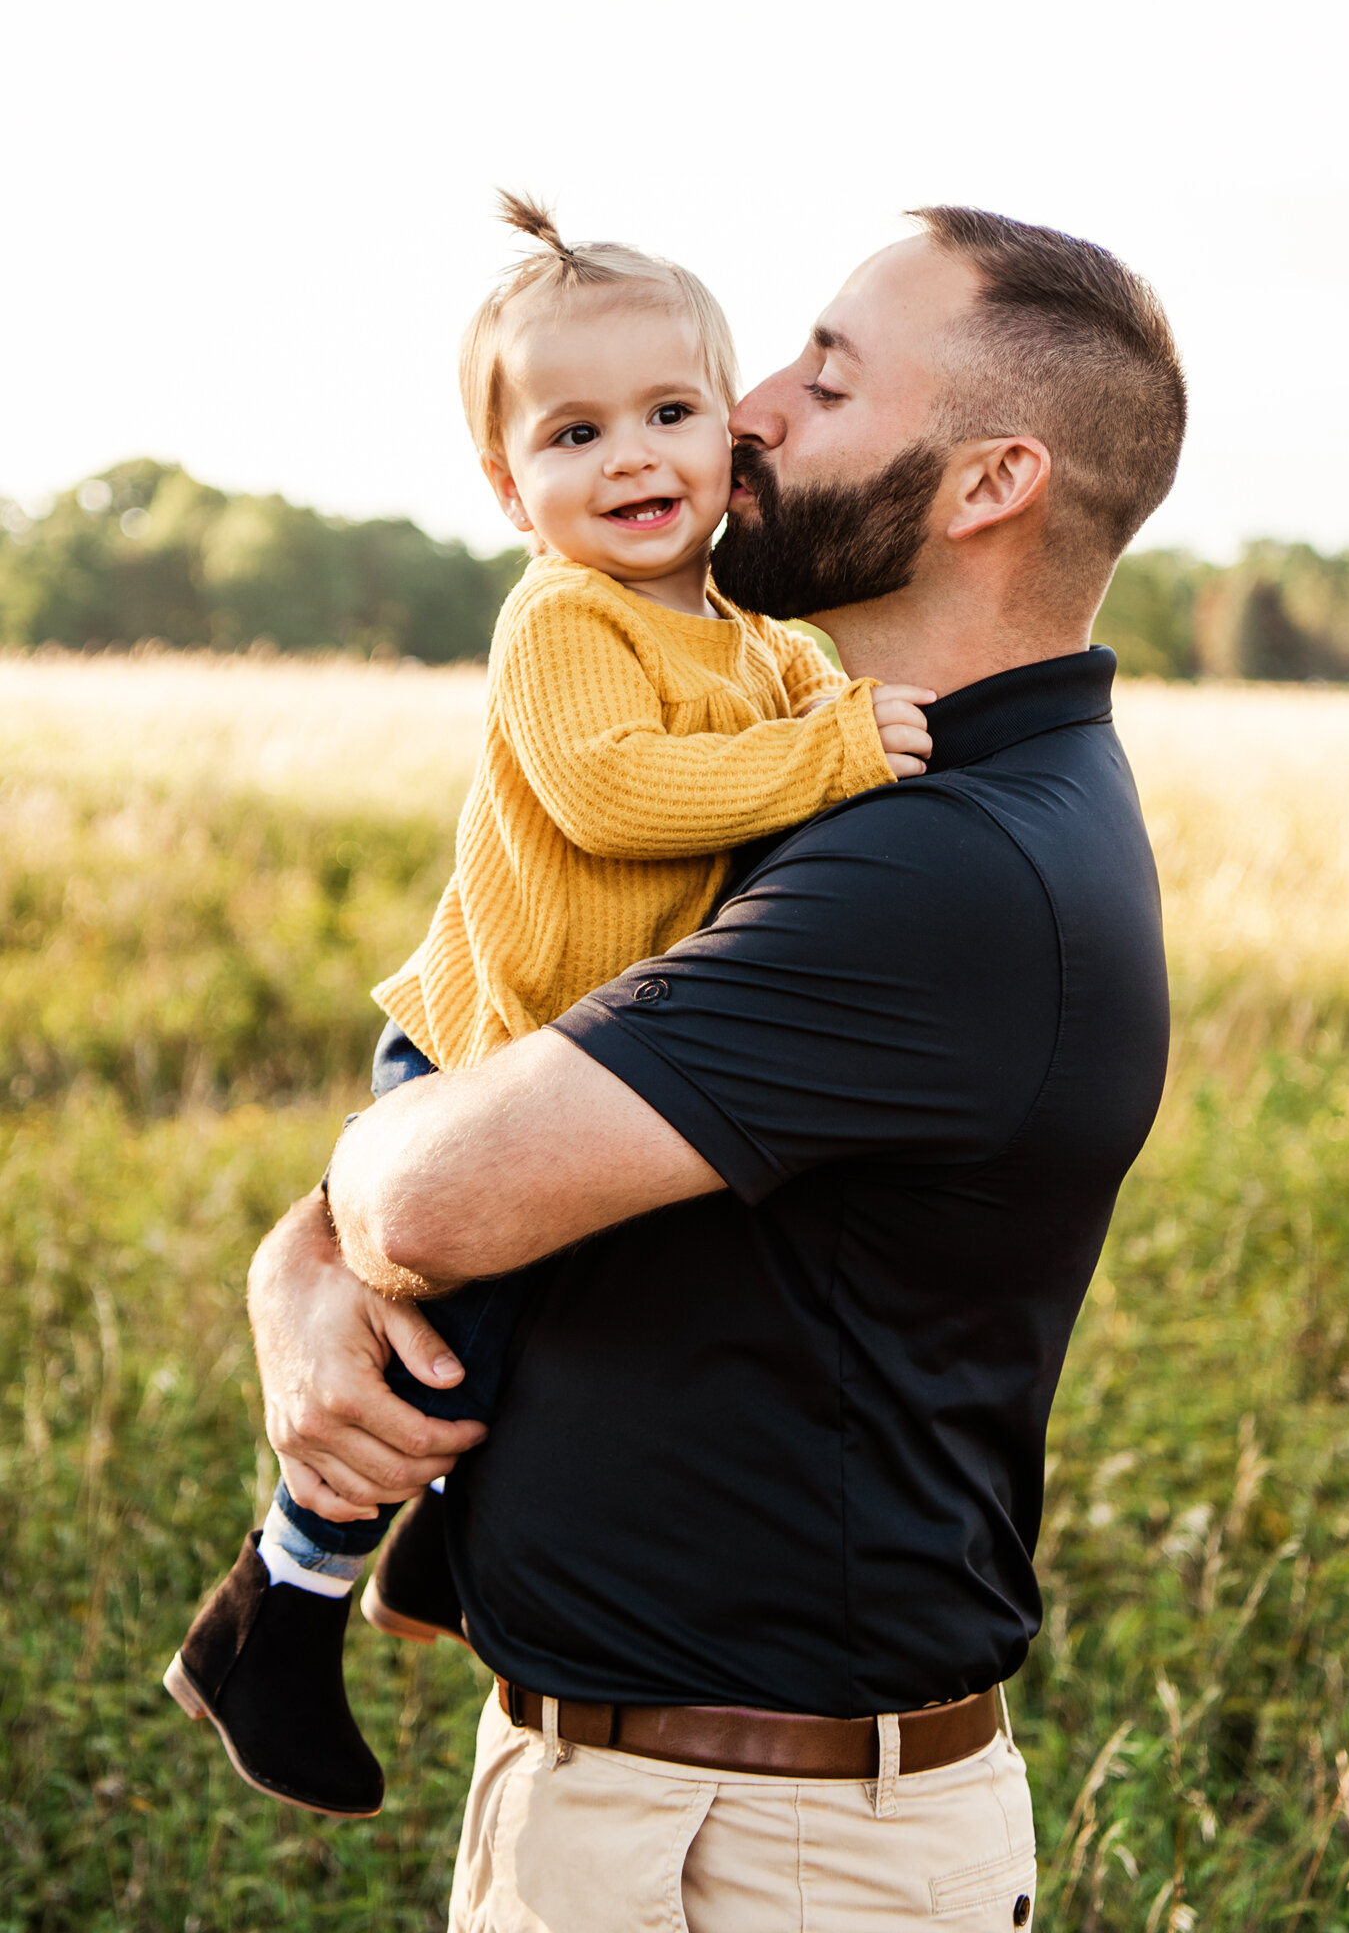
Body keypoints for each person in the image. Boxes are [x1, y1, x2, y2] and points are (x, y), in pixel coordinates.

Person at [246, 205, 1184, 1931]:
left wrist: (318, 1234)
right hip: (686, 1798)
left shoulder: (938, 874)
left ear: (988, 485)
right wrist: (317, 1247)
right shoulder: (855, 789)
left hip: (753, 1846)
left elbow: (440, 1195)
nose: (744, 410)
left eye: (824, 380)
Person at [163, 195, 932, 1818]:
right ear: (512, 490)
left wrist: (852, 737)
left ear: (733, 437)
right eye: (576, 433)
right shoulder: (564, 621)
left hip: (581, 1069)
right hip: (475, 1055)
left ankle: (441, 1550)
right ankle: (272, 1611)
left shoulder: (764, 644)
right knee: (427, 1355)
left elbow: (814, 764)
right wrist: (843, 751)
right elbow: (613, 796)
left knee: (592, 1300)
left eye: (669, 415)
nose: (634, 457)